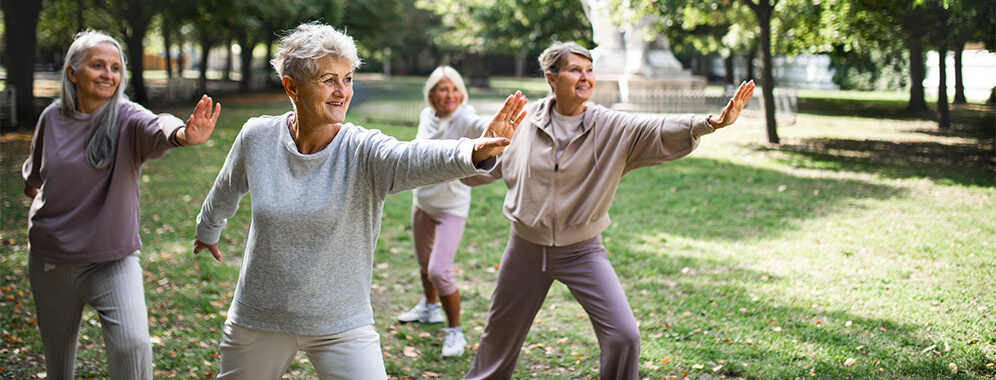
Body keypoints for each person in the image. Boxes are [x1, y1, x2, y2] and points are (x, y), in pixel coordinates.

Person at [191, 22, 526, 379]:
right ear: (292, 85)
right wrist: (208, 228)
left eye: (347, 78)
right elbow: (226, 188)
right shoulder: (257, 137)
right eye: (328, 80)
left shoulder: (362, 149)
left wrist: (472, 151)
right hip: (260, 316)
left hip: (341, 322)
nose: (342, 92)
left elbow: (410, 157)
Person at [461, 42, 755, 379]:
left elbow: (656, 128)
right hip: (524, 248)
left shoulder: (610, 125)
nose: (585, 78)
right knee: (498, 340)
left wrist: (710, 122)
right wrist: (483, 150)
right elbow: (476, 176)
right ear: (551, 78)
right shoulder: (523, 123)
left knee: (624, 336)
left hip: (582, 251)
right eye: (575, 70)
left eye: (589, 70)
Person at [21, 30, 221, 380]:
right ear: (72, 72)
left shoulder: (127, 118)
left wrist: (183, 135)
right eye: (97, 65)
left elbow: (159, 124)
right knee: (58, 363)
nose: (108, 74)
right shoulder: (51, 118)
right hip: (52, 260)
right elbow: (33, 182)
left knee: (134, 346)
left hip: (112, 260)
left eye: (115, 68)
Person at [396, 66, 488, 357]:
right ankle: (430, 308)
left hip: (452, 207)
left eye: (454, 89)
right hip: (422, 201)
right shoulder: (427, 116)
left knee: (439, 270)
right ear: (431, 94)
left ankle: (455, 331)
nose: (450, 95)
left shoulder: (464, 117)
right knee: (425, 266)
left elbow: (480, 126)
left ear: (461, 92)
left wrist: (494, 127)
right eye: (443, 89)